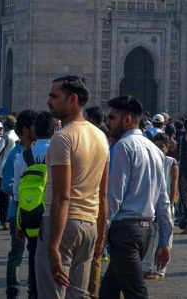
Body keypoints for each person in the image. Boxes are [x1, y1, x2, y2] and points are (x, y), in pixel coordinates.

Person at [35, 76, 110, 299]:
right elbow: (103, 193)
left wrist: (53, 246)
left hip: (63, 225)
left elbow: (61, 197)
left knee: (52, 294)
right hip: (89, 226)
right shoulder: (101, 137)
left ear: (73, 99)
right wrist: (100, 236)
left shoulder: (63, 138)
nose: (48, 102)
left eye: (54, 96)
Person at [99, 95, 172, 299]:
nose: (108, 123)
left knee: (136, 292)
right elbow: (163, 200)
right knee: (109, 290)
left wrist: (100, 233)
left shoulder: (123, 147)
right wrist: (164, 241)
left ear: (127, 120)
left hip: (125, 232)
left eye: (112, 118)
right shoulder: (155, 150)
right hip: (145, 232)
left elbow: (113, 197)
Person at [4, 109, 52, 299]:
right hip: (38, 213)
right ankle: (14, 291)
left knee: (33, 255)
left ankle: (34, 291)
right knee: (22, 255)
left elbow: (16, 190)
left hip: (27, 212)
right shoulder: (16, 154)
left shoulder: (23, 156)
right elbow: (8, 186)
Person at [144, 132, 178, 280]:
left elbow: (174, 185)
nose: (159, 149)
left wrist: (170, 205)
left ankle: (161, 269)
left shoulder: (171, 162)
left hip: (166, 204)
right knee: (152, 237)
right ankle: (149, 266)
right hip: (152, 203)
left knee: (165, 237)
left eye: (162, 146)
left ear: (167, 147)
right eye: (156, 146)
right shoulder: (150, 160)